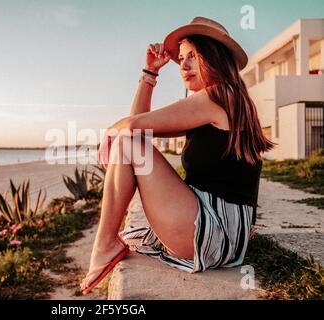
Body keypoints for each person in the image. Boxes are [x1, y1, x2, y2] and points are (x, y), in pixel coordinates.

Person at [80, 17, 276, 295]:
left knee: (126, 141)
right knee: (129, 142)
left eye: (193, 57)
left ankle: (104, 245)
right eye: (181, 58)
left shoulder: (221, 95)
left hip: (214, 231)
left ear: (215, 57)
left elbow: (134, 127)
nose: (183, 65)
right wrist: (150, 73)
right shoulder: (223, 99)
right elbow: (139, 128)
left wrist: (111, 133)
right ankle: (106, 244)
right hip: (218, 230)